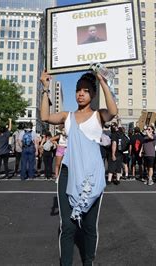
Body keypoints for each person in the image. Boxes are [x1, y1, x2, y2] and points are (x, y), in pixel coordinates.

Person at [40, 69, 117, 265]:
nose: (80, 94)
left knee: (90, 226)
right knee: (68, 226)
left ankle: (88, 261)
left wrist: (101, 81)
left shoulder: (99, 116)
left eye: (85, 90)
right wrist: (45, 88)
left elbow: (113, 112)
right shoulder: (68, 116)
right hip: (68, 174)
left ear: (92, 95)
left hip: (92, 178)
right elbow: (45, 117)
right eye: (78, 90)